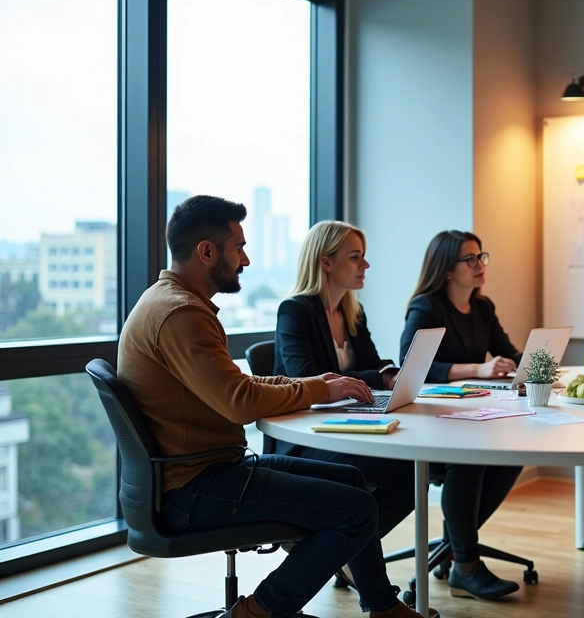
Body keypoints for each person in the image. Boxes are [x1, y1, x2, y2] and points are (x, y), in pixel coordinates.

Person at [118, 196, 429, 618]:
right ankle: (256, 612)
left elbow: (238, 383)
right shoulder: (179, 314)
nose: (245, 260)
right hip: (193, 487)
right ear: (206, 252)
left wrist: (316, 384)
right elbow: (240, 402)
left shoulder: (176, 304)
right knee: (356, 511)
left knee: (354, 482)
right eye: (238, 248)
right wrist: (317, 390)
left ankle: (382, 605)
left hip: (208, 470)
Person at [273, 220, 416, 586]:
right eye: (355, 257)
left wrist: (389, 373)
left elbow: (373, 362)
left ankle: (339, 549)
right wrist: (377, 378)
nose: (365, 265)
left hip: (347, 424)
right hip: (306, 439)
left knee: (414, 468)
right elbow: (306, 375)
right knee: (384, 464)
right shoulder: (295, 311)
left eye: (363, 257)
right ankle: (342, 553)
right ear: (325, 262)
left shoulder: (353, 312)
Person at [398, 230, 523, 600]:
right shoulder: (427, 307)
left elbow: (509, 352)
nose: (479, 265)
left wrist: (524, 367)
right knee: (468, 461)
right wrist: (479, 369)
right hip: (430, 419)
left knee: (514, 452)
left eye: (481, 256)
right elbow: (412, 366)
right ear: (447, 269)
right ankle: (464, 563)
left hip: (471, 412)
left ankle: (456, 547)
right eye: (469, 259)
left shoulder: (482, 308)